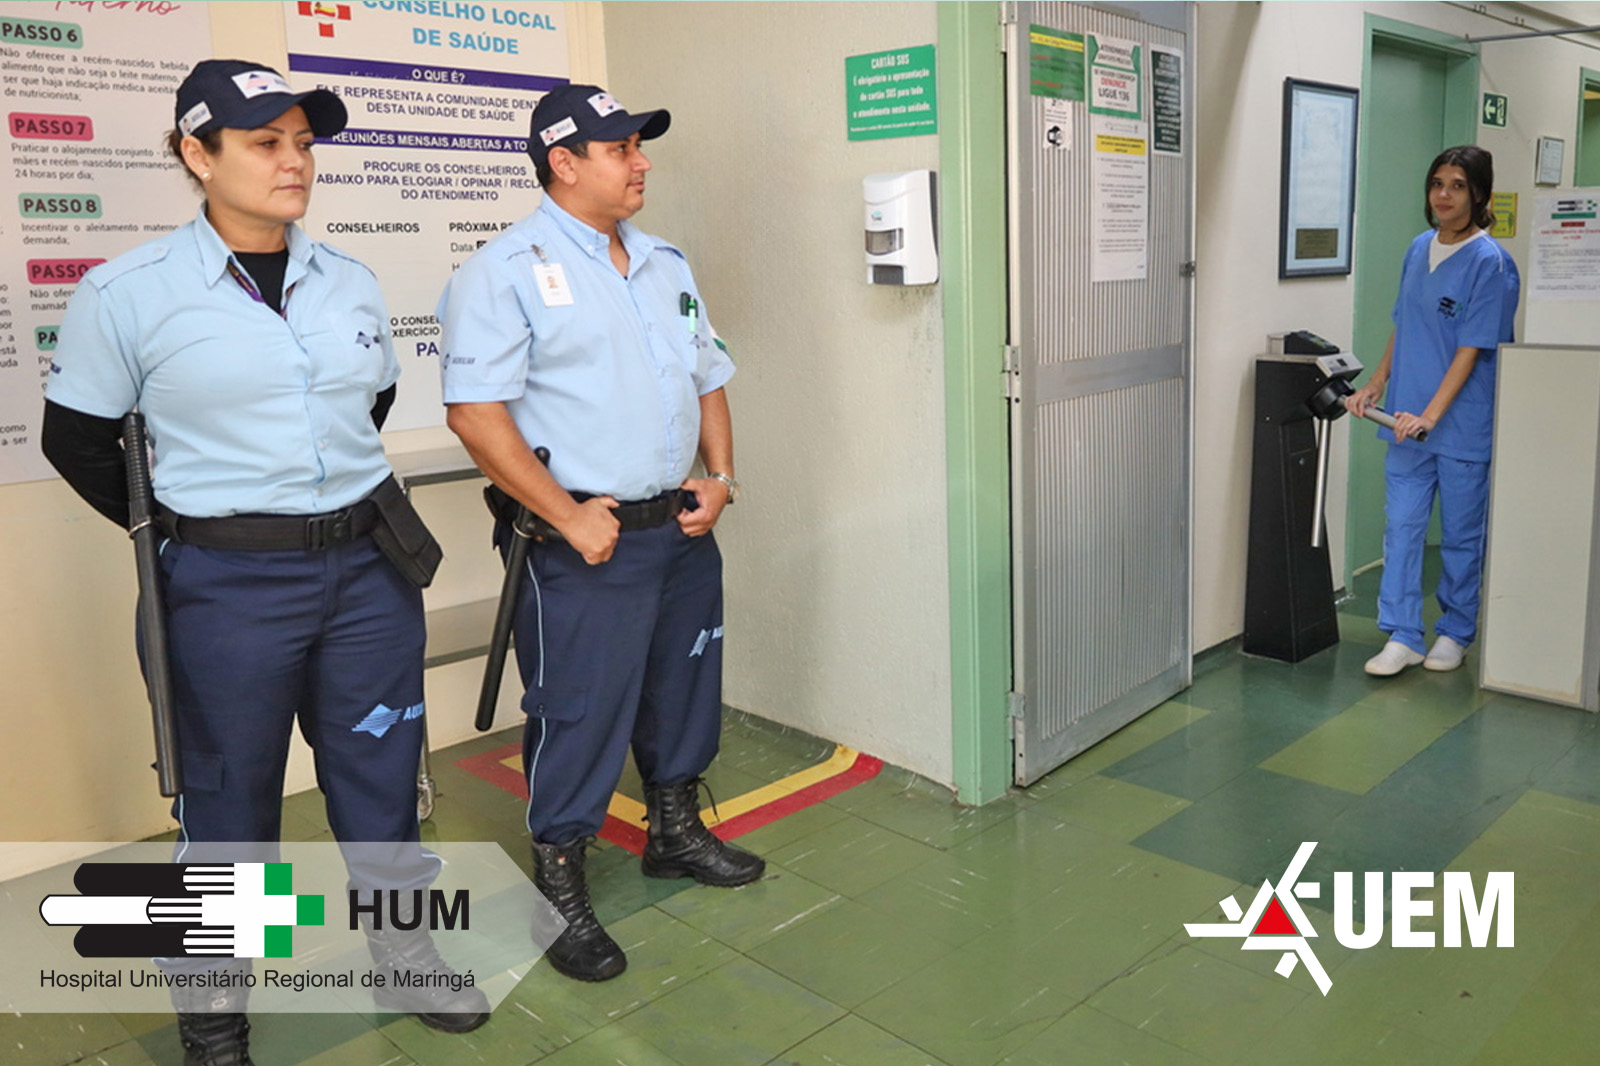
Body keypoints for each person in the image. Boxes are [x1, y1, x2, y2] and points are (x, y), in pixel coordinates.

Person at [41, 59, 487, 1064]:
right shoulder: (128, 294)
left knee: (381, 776)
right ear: (197, 155)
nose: (294, 162)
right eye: (264, 142)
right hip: (225, 590)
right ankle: (215, 1015)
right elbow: (78, 441)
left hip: (366, 573)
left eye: (303, 143)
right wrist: (196, 534)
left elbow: (366, 406)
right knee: (228, 803)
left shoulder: (348, 280)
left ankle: (404, 951)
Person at [438, 83, 764, 983]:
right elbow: (474, 413)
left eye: (638, 146)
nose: (640, 162)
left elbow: (709, 375)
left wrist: (721, 478)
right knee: (578, 710)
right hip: (585, 540)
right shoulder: (504, 270)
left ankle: (674, 830)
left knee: (684, 687)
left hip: (680, 529)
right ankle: (560, 880)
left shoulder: (664, 262)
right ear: (564, 162)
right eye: (620, 149)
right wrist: (566, 514)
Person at [1347, 145, 1520, 677]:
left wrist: (1431, 415)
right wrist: (1377, 383)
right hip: (1405, 421)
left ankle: (1456, 630)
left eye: (1458, 186)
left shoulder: (1491, 264)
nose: (1444, 195)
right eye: (1437, 184)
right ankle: (1402, 634)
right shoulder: (1418, 248)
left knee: (1462, 535)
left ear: (1480, 195)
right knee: (1401, 528)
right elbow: (1405, 324)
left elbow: (1471, 349)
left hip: (1461, 424)